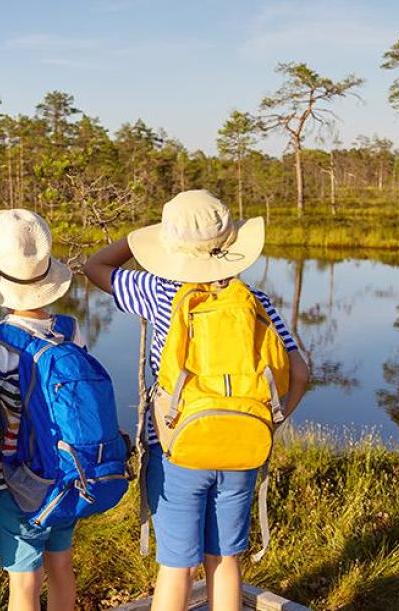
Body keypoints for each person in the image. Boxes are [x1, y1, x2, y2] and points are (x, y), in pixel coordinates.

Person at [82, 190, 311, 611]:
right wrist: (269, 421)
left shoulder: (156, 291)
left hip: (177, 451)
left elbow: (93, 266)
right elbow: (300, 372)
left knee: (176, 568)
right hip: (243, 445)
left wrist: (138, 240)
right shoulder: (255, 300)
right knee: (224, 560)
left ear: (170, 248)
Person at [0, 209, 83, 611]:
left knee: (24, 585)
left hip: (14, 486)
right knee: (61, 567)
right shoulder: (69, 329)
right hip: (65, 477)